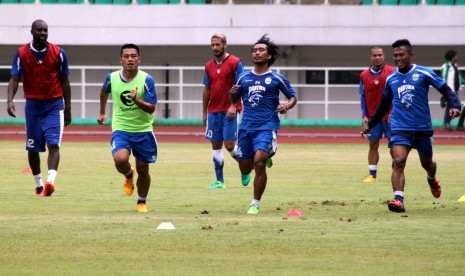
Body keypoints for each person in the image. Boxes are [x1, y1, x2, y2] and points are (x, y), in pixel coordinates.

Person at [361, 39, 461, 213]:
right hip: (400, 127)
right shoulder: (391, 78)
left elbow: (445, 88)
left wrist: (455, 105)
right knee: (398, 161)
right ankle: (398, 199)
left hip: (422, 129)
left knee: (428, 164)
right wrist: (372, 123)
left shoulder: (424, 73)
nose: (398, 58)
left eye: (401, 54)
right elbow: (384, 104)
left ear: (410, 55)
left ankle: (431, 178)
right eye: (395, 55)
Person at [229, 34, 297, 214]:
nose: (257, 53)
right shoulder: (243, 78)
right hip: (246, 127)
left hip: (267, 126)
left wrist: (286, 106)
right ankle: (257, 160)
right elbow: (234, 99)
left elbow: (292, 97)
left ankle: (255, 203)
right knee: (245, 166)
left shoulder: (276, 78)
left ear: (268, 56)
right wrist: (232, 95)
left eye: (261, 50)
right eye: (254, 50)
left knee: (259, 162)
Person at [6, 19, 72, 197]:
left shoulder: (58, 53)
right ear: (32, 32)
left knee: (53, 145)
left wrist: (68, 108)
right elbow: (14, 79)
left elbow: (65, 82)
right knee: (33, 148)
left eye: (45, 30)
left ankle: (50, 182)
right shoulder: (21, 53)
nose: (43, 33)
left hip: (54, 105)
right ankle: (38, 184)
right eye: (40, 30)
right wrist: (9, 100)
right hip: (33, 106)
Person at [97, 43, 158, 213]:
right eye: (126, 56)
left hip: (143, 129)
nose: (130, 59)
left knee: (143, 168)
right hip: (121, 128)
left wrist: (137, 100)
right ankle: (128, 175)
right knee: (120, 160)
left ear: (139, 59)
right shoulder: (112, 78)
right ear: (121, 60)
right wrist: (102, 112)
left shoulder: (147, 80)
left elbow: (152, 107)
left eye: (133, 56)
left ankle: (141, 201)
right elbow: (104, 91)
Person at [202, 33, 249, 189]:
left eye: (218, 44)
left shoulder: (235, 62)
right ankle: (219, 181)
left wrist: (233, 105)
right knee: (215, 145)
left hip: (229, 109)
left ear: (225, 45)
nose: (215, 47)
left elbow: (240, 85)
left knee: (229, 145)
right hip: (213, 111)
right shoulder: (208, 65)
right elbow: (207, 90)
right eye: (212, 45)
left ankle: (245, 168)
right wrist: (204, 112)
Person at [359, 47, 395, 183]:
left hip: (390, 116)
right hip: (373, 117)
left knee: (394, 144)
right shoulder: (363, 75)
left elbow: (396, 94)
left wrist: (394, 112)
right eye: (375, 55)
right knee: (373, 144)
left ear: (384, 56)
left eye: (380, 55)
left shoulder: (392, 72)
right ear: (370, 57)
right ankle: (372, 175)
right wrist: (364, 115)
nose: (377, 57)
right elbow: (362, 96)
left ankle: (395, 171)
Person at [440, 50, 465, 131]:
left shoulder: (455, 66)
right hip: (449, 90)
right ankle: (446, 124)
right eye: (456, 56)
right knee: (450, 107)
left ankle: (448, 124)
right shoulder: (446, 66)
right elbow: (443, 78)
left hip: (455, 90)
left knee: (454, 107)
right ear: (452, 57)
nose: (457, 57)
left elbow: (458, 78)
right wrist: (444, 92)